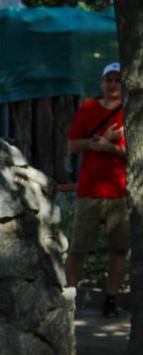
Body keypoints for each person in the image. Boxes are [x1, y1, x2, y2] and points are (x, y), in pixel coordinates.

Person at [65, 62, 127, 318]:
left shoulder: (132, 111)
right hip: (89, 189)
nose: (113, 84)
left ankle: (111, 299)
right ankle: (69, 298)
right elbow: (72, 145)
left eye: (117, 80)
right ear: (102, 82)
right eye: (109, 79)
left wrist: (111, 148)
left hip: (119, 190)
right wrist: (97, 143)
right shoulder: (88, 108)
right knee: (78, 248)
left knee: (119, 248)